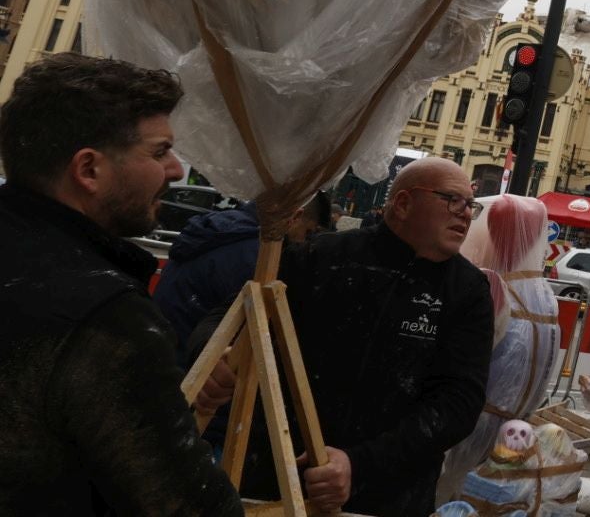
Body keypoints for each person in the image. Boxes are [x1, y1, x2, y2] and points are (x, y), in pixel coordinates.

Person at [0, 53, 241, 515]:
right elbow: (186, 504)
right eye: (159, 151)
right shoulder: (106, 318)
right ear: (88, 170)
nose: (174, 170)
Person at [213, 156, 494, 516]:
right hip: (278, 481)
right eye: (451, 200)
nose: (465, 213)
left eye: (470, 204)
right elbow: (230, 315)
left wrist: (358, 464)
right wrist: (220, 356)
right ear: (404, 203)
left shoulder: (468, 291)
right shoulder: (321, 257)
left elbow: (458, 403)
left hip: (388, 497)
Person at [155, 191, 332, 351]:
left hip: (163, 341)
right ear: (295, 217)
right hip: (190, 363)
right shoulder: (259, 255)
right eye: (308, 233)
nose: (304, 242)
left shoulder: (228, 227)